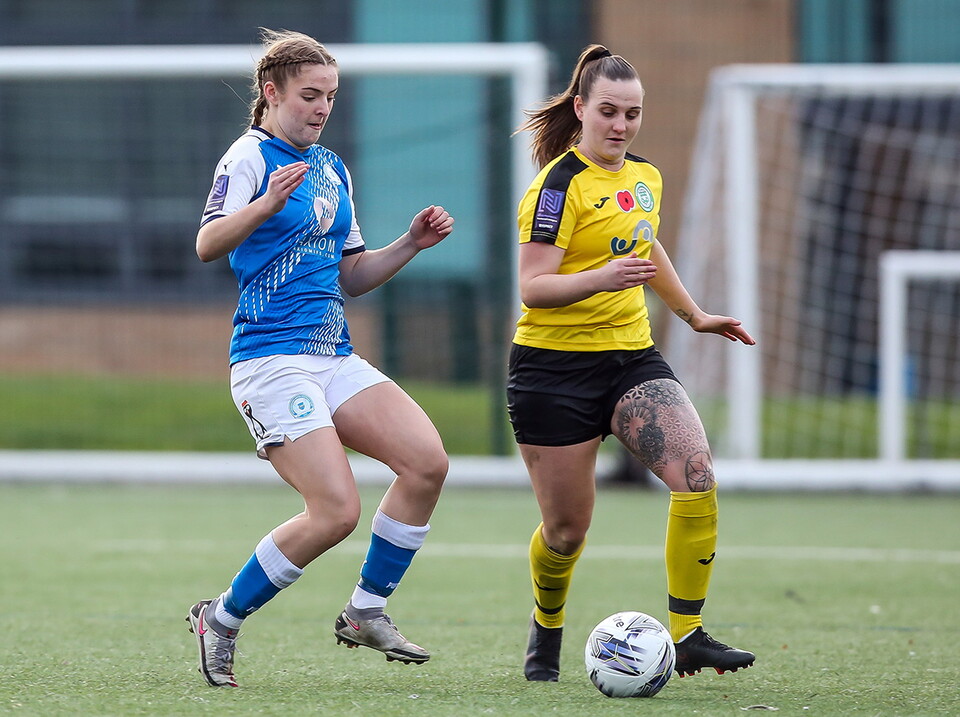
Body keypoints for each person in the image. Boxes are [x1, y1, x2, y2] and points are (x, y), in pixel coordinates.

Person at [186, 29, 454, 688]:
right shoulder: (248, 156)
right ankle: (220, 617)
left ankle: (365, 611)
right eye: (310, 94)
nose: (322, 106)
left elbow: (353, 275)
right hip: (270, 360)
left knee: (426, 462)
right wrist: (265, 204)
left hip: (332, 354)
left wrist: (409, 244)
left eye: (330, 95)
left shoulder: (332, 168)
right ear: (272, 92)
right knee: (335, 510)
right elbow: (206, 243)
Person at [507, 44, 756, 682]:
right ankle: (547, 628)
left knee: (696, 474)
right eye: (609, 112)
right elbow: (534, 288)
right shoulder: (556, 187)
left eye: (633, 114)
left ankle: (689, 633)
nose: (621, 126)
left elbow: (647, 248)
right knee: (565, 532)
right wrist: (604, 276)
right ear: (582, 109)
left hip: (630, 361)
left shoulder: (645, 177)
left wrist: (694, 315)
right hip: (551, 371)